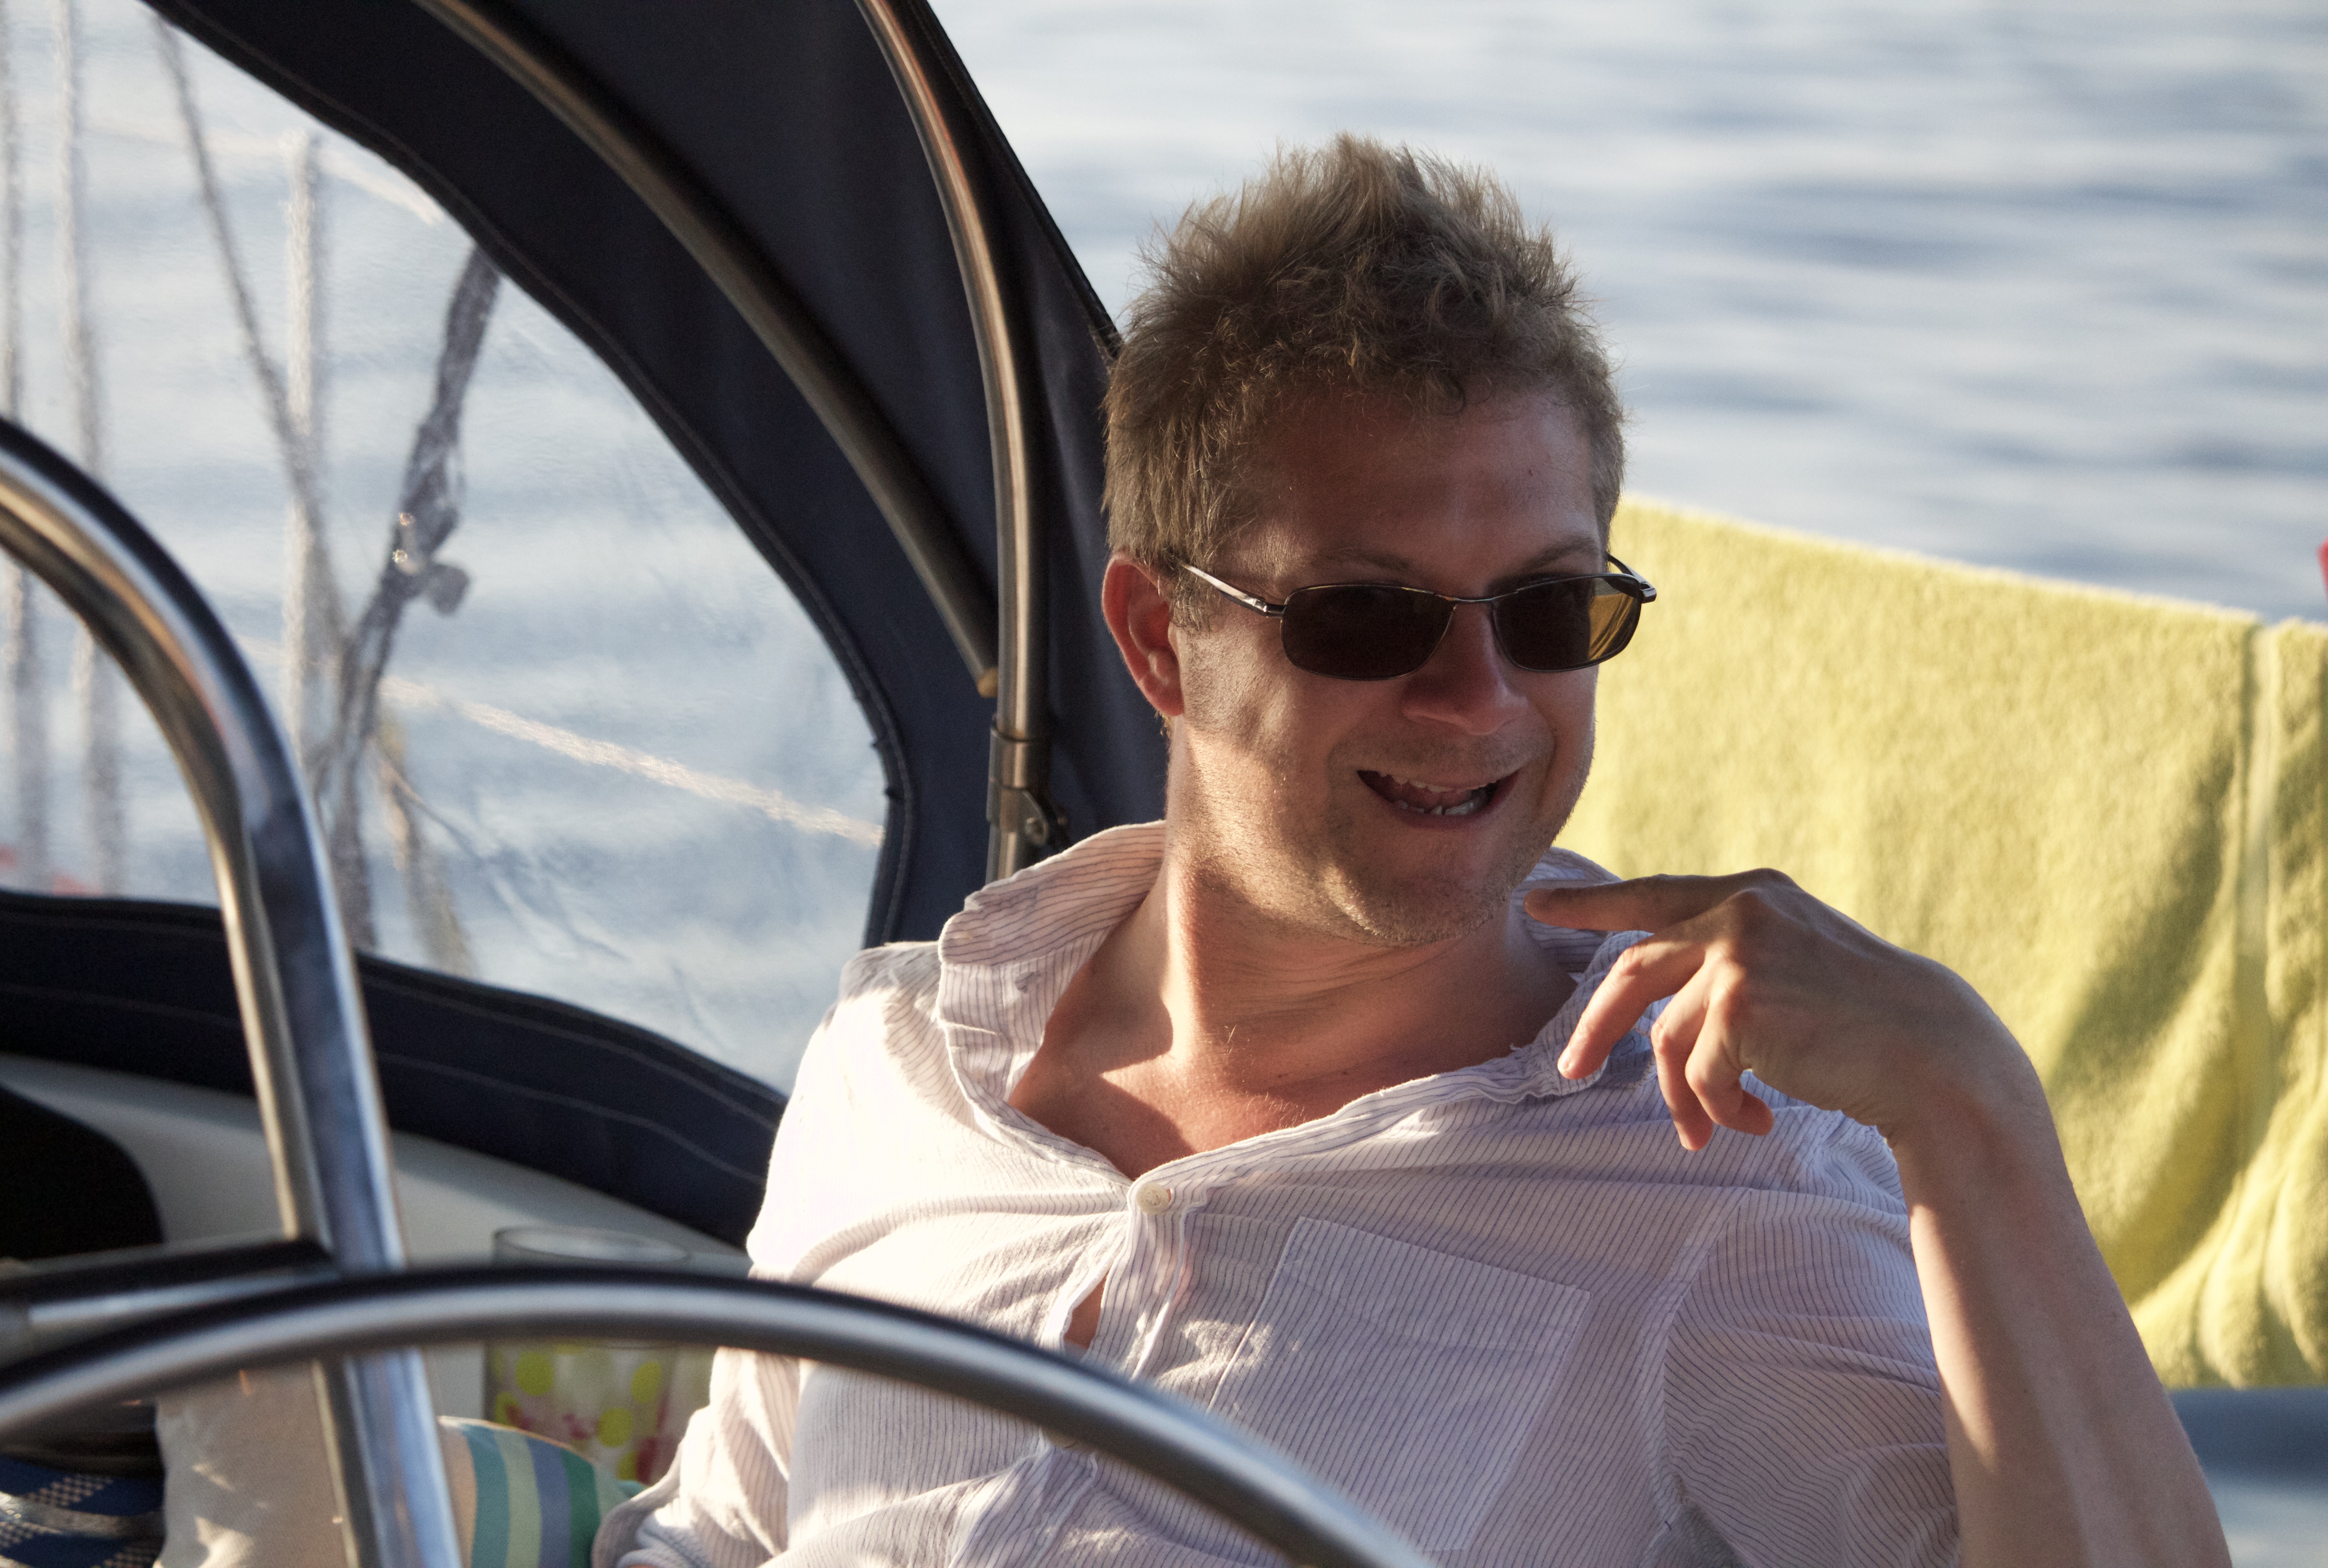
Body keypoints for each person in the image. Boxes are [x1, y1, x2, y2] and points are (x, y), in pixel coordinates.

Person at [605, 136, 2228, 1567]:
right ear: (1160, 639)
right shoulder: (898, 1065)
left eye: (1551, 608)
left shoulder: (1716, 1179)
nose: (1481, 699)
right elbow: (723, 1532)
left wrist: (1969, 1109)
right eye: (1368, 615)